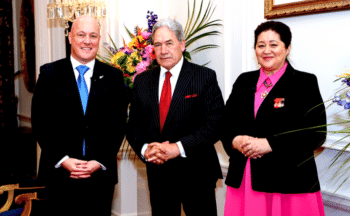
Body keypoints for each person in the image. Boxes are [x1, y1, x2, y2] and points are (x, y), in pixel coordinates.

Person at [221, 20, 327, 216]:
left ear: (287, 48)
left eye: (274, 44)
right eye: (261, 45)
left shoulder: (305, 82)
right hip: (246, 180)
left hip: (288, 183)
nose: (266, 50)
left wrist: (270, 144)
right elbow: (225, 123)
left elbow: (316, 133)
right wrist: (235, 140)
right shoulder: (244, 81)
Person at [31, 15, 128, 216]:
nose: (87, 41)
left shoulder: (113, 76)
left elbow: (118, 125)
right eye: (81, 35)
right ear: (70, 37)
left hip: (99, 175)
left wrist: (99, 160)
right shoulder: (49, 73)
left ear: (99, 39)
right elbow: (41, 123)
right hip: (60, 174)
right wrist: (63, 159)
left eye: (93, 36)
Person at [127, 18, 224, 216]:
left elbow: (214, 124)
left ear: (182, 43)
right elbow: (134, 126)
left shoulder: (204, 77)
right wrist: (146, 149)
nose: (163, 50)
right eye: (157, 45)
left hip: (197, 173)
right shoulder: (143, 81)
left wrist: (177, 148)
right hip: (159, 174)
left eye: (169, 43)